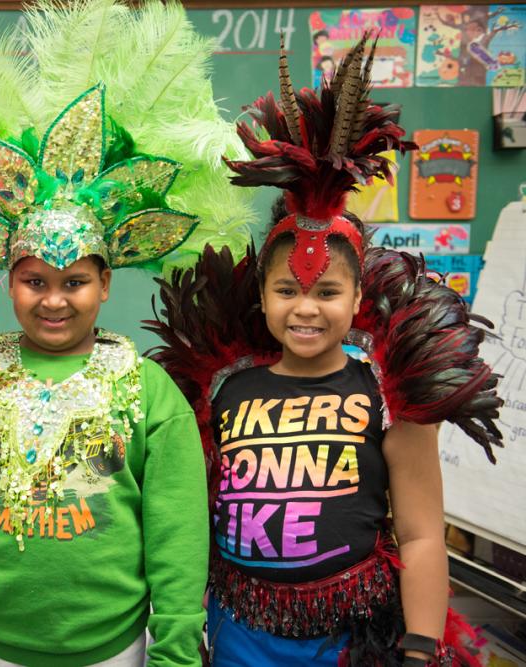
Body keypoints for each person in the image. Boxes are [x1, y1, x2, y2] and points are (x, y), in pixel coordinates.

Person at [0, 0, 258, 661]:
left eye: (75, 281)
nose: (54, 300)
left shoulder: (150, 392)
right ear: (9, 281)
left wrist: (179, 647)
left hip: (106, 648)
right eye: (35, 280)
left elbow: (179, 536)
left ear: (106, 284)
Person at [146, 35, 501, 666]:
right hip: (237, 632)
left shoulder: (387, 394)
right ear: (261, 293)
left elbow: (421, 535)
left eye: (327, 291)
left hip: (351, 637)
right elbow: (184, 523)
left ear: (359, 292)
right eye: (287, 289)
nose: (306, 307)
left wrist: (419, 649)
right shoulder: (224, 385)